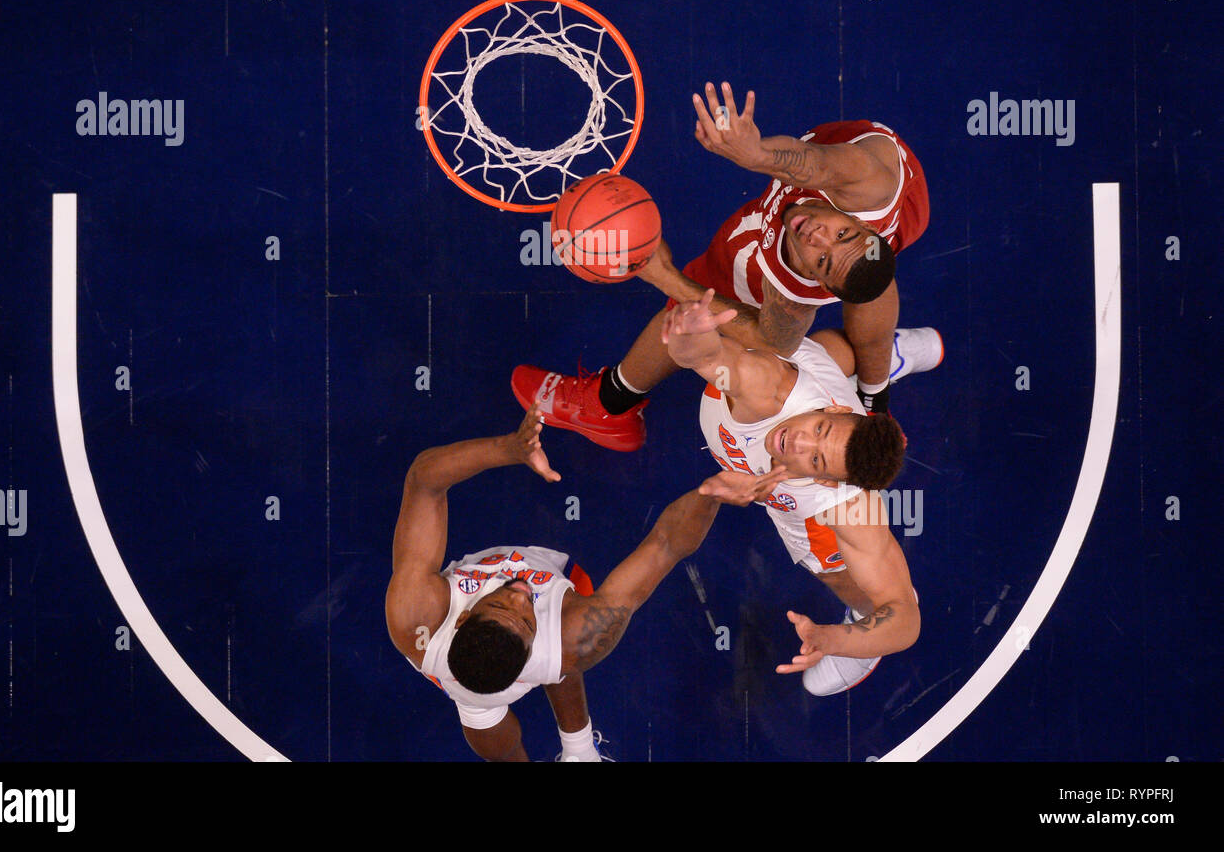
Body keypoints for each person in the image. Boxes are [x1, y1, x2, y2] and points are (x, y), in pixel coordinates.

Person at [512, 80, 931, 450]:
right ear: (862, 224)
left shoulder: (795, 286)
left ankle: (608, 406)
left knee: (723, 292)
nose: (816, 235)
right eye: (843, 233)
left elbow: (772, 341)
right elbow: (814, 163)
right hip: (894, 184)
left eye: (821, 260)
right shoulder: (867, 185)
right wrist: (757, 154)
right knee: (862, 269)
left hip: (859, 251)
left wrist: (666, 279)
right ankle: (874, 377)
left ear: (817, 283)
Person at [385, 403, 748, 761]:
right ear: (531, 655)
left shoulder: (415, 617)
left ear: (462, 618)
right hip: (537, 650)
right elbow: (665, 545)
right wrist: (714, 493)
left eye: (499, 604)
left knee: (563, 658)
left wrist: (510, 448)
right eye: (528, 619)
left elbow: (425, 479)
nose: (521, 596)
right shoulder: (570, 640)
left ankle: (579, 753)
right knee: (540, 685)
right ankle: (580, 752)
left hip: (494, 645)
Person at [661, 288, 929, 695]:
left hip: (804, 503)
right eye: (819, 430)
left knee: (839, 574)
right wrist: (690, 336)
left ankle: (856, 619)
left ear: (825, 481)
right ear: (838, 410)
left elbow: (905, 619)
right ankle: (878, 358)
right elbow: (707, 358)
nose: (797, 442)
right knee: (821, 352)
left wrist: (839, 639)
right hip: (785, 379)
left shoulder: (846, 506)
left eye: (817, 460)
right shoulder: (762, 385)